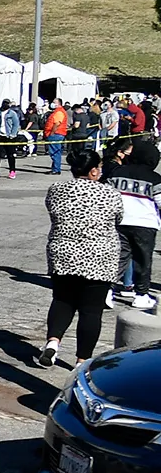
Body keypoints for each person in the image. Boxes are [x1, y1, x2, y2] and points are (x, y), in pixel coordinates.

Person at [34, 147, 123, 369]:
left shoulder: (56, 190)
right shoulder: (110, 193)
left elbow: (53, 212)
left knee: (62, 300)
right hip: (99, 257)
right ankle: (82, 359)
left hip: (63, 253)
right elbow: (119, 218)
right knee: (91, 310)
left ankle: (53, 342)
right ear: (93, 171)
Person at [105, 135, 157, 310]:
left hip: (119, 221)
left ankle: (107, 291)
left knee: (118, 257)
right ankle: (141, 295)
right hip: (145, 224)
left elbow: (107, 195)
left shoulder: (118, 172)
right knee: (143, 259)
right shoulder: (155, 179)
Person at [43, 100, 69, 175]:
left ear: (59, 104)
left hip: (56, 134)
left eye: (54, 102)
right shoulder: (57, 112)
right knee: (56, 152)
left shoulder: (59, 112)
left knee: (55, 152)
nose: (52, 104)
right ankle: (55, 168)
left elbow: (57, 123)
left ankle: (56, 169)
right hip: (57, 134)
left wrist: (52, 133)